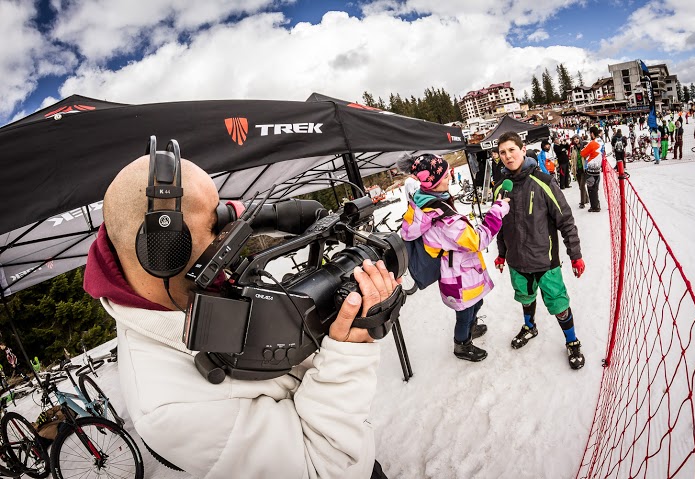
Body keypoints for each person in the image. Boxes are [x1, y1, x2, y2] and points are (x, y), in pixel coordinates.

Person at [84, 154, 398, 478]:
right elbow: (320, 470)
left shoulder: (180, 288)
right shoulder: (168, 407)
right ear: (164, 256)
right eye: (216, 227)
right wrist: (349, 355)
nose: (230, 235)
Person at [398, 154, 510, 362]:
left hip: (463, 269)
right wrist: (497, 212)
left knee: (476, 304)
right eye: (445, 175)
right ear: (433, 181)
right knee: (465, 312)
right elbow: (477, 240)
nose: (450, 177)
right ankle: (462, 344)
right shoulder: (444, 219)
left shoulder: (429, 202)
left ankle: (470, 328)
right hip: (458, 275)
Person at [494, 131, 585, 370]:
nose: (507, 156)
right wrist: (502, 253)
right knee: (525, 297)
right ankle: (529, 326)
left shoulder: (544, 181)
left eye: (511, 150)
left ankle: (572, 340)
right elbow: (500, 226)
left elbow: (565, 220)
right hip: (516, 261)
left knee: (558, 303)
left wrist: (575, 256)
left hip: (545, 262)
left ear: (523, 150)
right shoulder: (500, 188)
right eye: (502, 152)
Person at [580, 126, 604, 212]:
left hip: (591, 169)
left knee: (591, 189)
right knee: (596, 188)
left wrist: (585, 147)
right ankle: (597, 204)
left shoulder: (592, 143)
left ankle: (594, 207)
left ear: (592, 134)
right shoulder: (601, 142)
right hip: (598, 168)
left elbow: (582, 153)